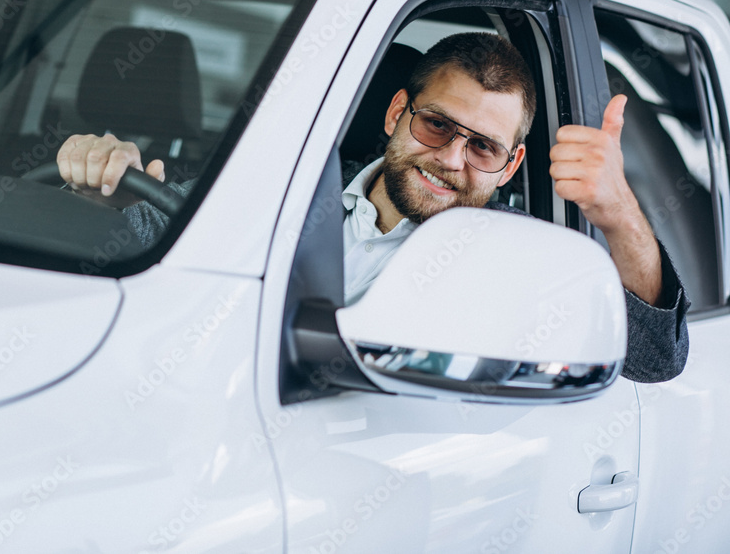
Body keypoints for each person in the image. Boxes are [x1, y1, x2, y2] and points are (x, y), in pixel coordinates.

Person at [57, 32, 689, 383]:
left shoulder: (519, 259)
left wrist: (617, 211)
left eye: (484, 147)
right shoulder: (276, 192)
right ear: (396, 114)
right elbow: (103, 268)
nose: (452, 159)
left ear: (511, 167)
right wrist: (90, 195)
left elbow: (654, 359)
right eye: (438, 126)